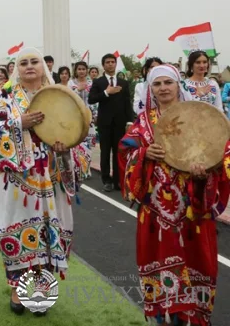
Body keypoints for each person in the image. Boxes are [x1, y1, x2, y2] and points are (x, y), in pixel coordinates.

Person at [119, 65, 230, 326]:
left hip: (193, 207)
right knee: (158, 261)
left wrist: (205, 172)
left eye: (168, 82)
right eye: (157, 84)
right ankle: (165, 317)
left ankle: (194, 316)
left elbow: (222, 152)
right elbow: (125, 150)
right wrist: (144, 154)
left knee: (197, 262)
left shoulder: (201, 117)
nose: (163, 88)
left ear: (178, 85)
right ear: (150, 89)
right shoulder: (144, 122)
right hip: (157, 210)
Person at [0, 47, 83, 316]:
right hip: (17, 182)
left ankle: (40, 292)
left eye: (34, 62)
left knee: (48, 232)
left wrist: (65, 148)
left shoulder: (58, 97)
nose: (29, 66)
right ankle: (17, 289)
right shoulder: (4, 99)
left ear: (43, 67)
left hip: (50, 179)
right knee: (19, 230)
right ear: (17, 68)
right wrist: (18, 123)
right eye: (23, 62)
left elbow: (77, 130)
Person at [88, 53, 134, 192]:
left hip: (120, 123)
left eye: (112, 62)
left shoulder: (123, 83)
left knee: (118, 152)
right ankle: (106, 179)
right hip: (104, 123)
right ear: (103, 65)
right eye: (107, 62)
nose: (110, 64)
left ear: (115, 64)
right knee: (105, 152)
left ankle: (117, 180)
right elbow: (91, 99)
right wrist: (106, 93)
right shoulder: (98, 82)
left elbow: (127, 103)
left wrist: (130, 122)